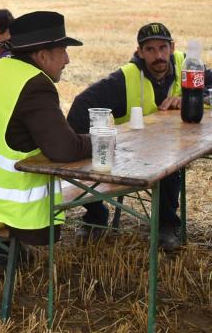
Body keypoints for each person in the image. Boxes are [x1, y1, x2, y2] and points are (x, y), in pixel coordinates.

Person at [0, 11, 91, 290]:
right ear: (43, 56)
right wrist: (100, 140)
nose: (67, 60)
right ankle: (1, 254)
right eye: (63, 52)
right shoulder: (34, 84)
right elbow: (63, 148)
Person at [67, 22, 212, 249]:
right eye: (150, 50)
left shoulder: (189, 66)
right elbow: (82, 104)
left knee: (169, 160)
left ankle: (166, 223)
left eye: (163, 48)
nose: (158, 56)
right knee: (166, 162)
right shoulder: (126, 77)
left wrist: (198, 97)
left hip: (181, 144)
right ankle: (96, 214)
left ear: (172, 47)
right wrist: (89, 147)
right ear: (140, 52)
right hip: (137, 153)